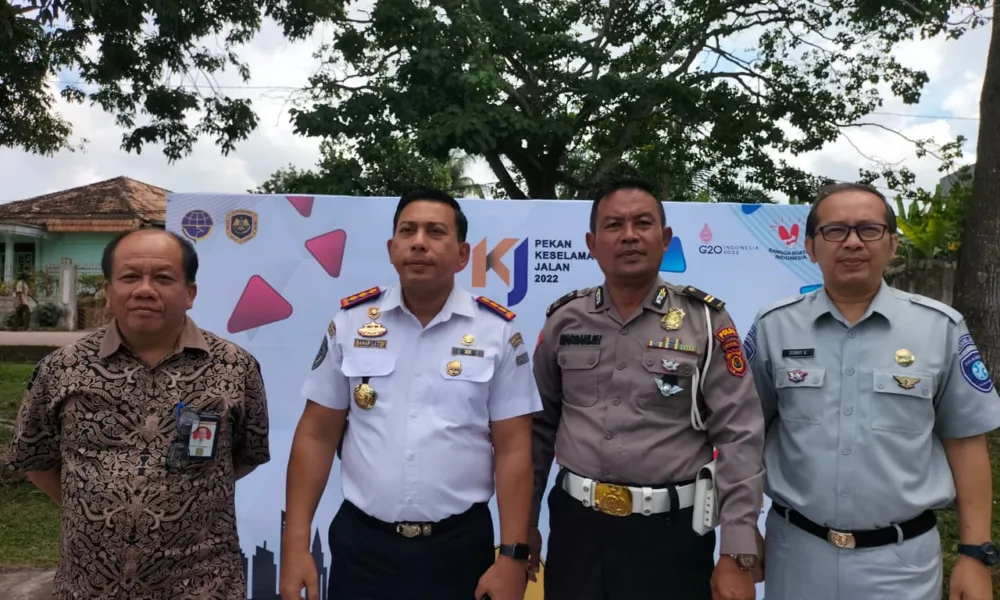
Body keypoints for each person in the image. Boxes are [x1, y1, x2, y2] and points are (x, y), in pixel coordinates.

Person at [280, 187, 541, 600]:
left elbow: (514, 449)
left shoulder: (497, 332)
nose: (419, 242)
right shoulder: (350, 324)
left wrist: (511, 556)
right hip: (363, 546)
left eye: (435, 232)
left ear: (462, 254)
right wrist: (295, 543)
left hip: (459, 547)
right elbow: (316, 435)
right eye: (408, 231)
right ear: (391, 249)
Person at [744, 182, 1000, 600]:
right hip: (796, 555)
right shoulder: (774, 327)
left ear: (893, 244)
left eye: (869, 229)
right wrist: (742, 533)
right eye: (835, 231)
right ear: (810, 247)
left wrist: (975, 553)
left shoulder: (940, 328)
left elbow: (967, 443)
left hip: (901, 565)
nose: (852, 242)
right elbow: (744, 436)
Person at [530, 177, 765, 600]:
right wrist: (524, 525)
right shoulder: (565, 319)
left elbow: (739, 434)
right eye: (613, 225)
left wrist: (737, 551)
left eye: (642, 223)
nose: (629, 235)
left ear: (665, 239)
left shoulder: (705, 321)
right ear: (592, 243)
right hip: (576, 529)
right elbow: (537, 428)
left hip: (671, 537)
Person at [6, 228, 271, 599]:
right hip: (90, 585)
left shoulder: (235, 367)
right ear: (108, 291)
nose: (145, 290)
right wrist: (94, 510)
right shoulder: (62, 368)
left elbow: (246, 455)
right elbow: (35, 461)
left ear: (190, 293)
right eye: (130, 277)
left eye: (163, 278)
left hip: (203, 584)